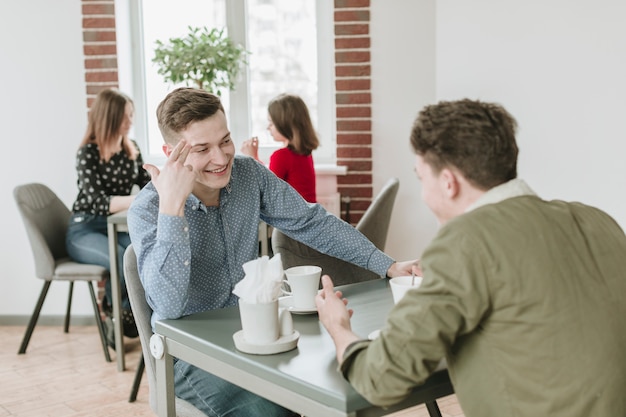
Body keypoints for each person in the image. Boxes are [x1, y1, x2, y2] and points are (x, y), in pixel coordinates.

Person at [316, 99, 626, 417]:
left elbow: (380, 379)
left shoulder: (465, 241)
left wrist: (339, 326)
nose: (423, 194)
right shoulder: (598, 220)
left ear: (448, 183)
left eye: (422, 179)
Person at [127, 87, 415, 417]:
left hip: (252, 335)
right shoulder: (148, 210)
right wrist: (172, 208)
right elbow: (167, 305)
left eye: (225, 141)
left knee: (325, 389)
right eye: (202, 149)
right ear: (170, 152)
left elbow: (312, 222)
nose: (221, 159)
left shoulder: (249, 175)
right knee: (275, 412)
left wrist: (387, 265)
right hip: (187, 355)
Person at [66, 88, 151, 346]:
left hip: (116, 227)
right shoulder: (88, 153)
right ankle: (119, 315)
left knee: (137, 258)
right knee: (117, 259)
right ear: (109, 118)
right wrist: (136, 200)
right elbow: (96, 202)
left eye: (132, 115)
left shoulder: (131, 149)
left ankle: (121, 312)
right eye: (125, 116)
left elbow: (147, 185)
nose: (130, 121)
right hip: (84, 229)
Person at [241, 93, 318, 202]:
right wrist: (255, 157)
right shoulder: (305, 152)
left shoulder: (281, 156)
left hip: (293, 217)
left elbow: (267, 191)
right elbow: (271, 178)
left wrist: (252, 159)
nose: (268, 127)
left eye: (271, 123)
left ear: (285, 124)